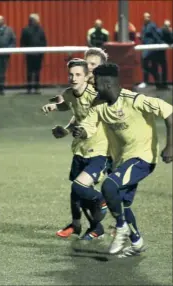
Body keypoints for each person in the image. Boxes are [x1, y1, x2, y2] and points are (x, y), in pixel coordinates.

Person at [73, 63, 173, 255]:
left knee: (109, 186)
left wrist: (170, 146)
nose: (92, 87)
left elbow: (169, 113)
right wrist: (80, 131)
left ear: (107, 83)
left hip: (143, 157)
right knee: (123, 204)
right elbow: (88, 128)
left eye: (95, 83)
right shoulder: (99, 107)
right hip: (122, 160)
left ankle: (121, 228)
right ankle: (136, 242)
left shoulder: (134, 99)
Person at [41, 59, 109, 240]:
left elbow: (94, 121)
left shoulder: (96, 95)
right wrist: (58, 113)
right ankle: (83, 225)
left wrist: (82, 131)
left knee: (80, 188)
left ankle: (101, 200)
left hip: (99, 149)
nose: (73, 78)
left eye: (78, 74)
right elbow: (68, 106)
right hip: (80, 149)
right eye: (71, 74)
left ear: (87, 76)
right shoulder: (69, 93)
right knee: (76, 191)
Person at [20, 13, 47, 94]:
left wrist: (42, 51)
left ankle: (36, 88)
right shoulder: (26, 30)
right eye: (36, 20)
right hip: (29, 55)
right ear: (32, 20)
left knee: (37, 72)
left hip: (38, 55)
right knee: (29, 72)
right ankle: (29, 88)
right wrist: (25, 51)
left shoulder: (41, 30)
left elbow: (44, 41)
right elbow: (22, 42)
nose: (38, 21)